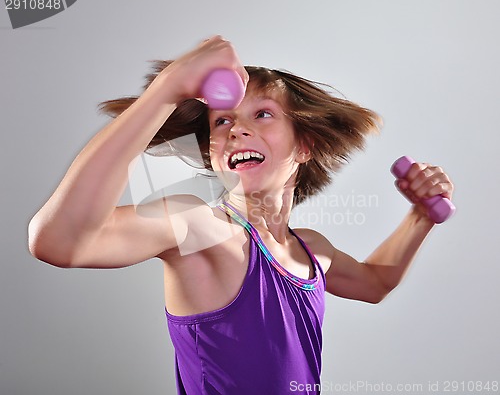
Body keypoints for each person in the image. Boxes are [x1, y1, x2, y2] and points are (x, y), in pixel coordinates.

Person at [28, 36, 454, 394]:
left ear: (304, 146)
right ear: (213, 156)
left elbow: (376, 282)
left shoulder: (311, 249)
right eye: (221, 122)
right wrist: (165, 91)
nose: (235, 130)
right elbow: (57, 241)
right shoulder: (200, 227)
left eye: (262, 114)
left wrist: (420, 217)